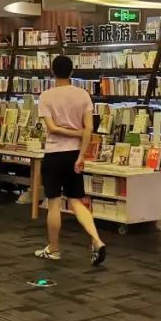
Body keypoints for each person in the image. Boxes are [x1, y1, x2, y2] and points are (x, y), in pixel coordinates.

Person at [34, 55, 106, 266]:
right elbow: (89, 129)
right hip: (74, 154)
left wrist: (72, 132)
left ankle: (54, 249)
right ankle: (97, 240)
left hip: (54, 154)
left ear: (52, 72)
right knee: (76, 201)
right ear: (72, 71)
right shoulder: (83, 94)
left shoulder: (46, 96)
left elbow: (52, 128)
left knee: (54, 203)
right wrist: (81, 154)